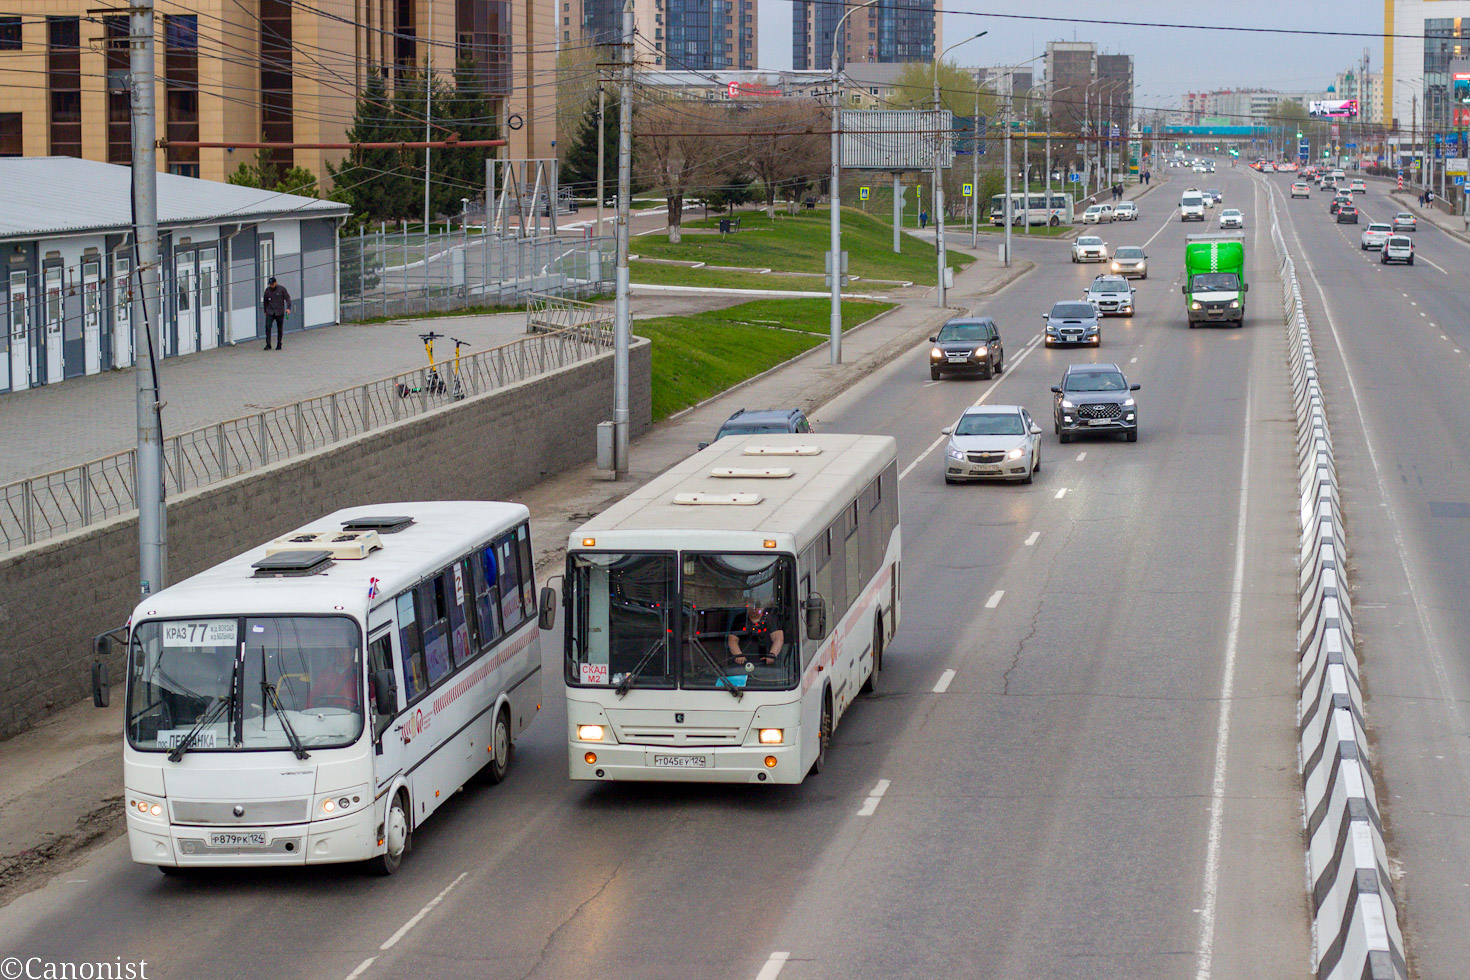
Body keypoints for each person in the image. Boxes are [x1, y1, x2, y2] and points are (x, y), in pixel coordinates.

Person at [726, 600, 785, 667]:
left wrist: (772, 655)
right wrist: (738, 654)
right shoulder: (740, 619)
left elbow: (778, 638)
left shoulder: (771, 619)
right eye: (751, 606)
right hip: (743, 664)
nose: (754, 608)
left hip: (766, 665)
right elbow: (732, 639)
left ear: (763, 607)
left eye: (757, 606)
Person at [261, 276, 291, 351]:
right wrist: (265, 311)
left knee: (279, 328)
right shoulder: (267, 291)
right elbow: (265, 302)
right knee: (268, 327)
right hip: (270, 311)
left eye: (272, 284)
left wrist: (288, 308)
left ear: (275, 283)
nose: (271, 285)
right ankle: (268, 344)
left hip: (279, 312)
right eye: (270, 284)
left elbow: (288, 298)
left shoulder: (282, 289)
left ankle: (279, 343)